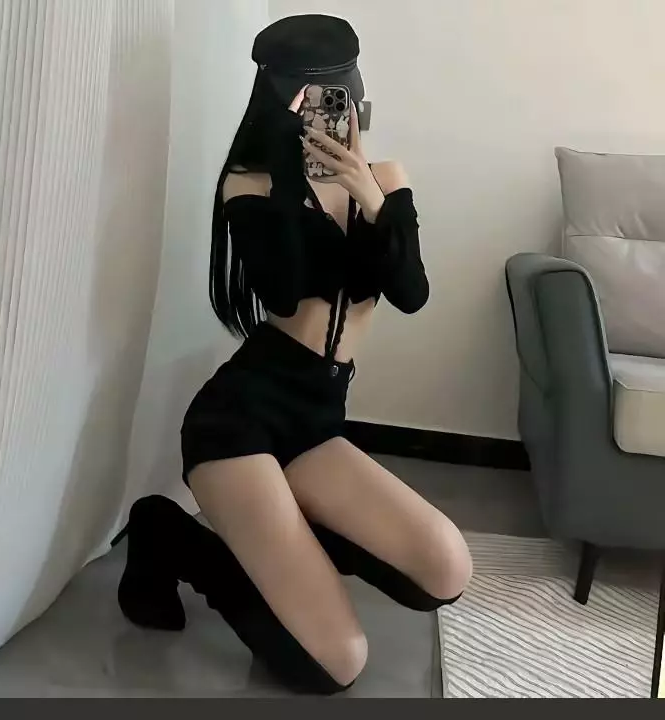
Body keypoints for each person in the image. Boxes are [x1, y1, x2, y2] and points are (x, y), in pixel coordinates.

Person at [114, 14, 472, 695]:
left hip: (316, 422)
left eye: (339, 95)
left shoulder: (386, 180)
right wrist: (288, 172)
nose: (329, 112)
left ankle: (287, 540)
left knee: (445, 567)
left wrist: (370, 197)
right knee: (336, 663)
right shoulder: (249, 186)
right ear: (281, 102)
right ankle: (169, 535)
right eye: (310, 99)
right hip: (239, 423)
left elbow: (412, 293)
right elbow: (280, 293)